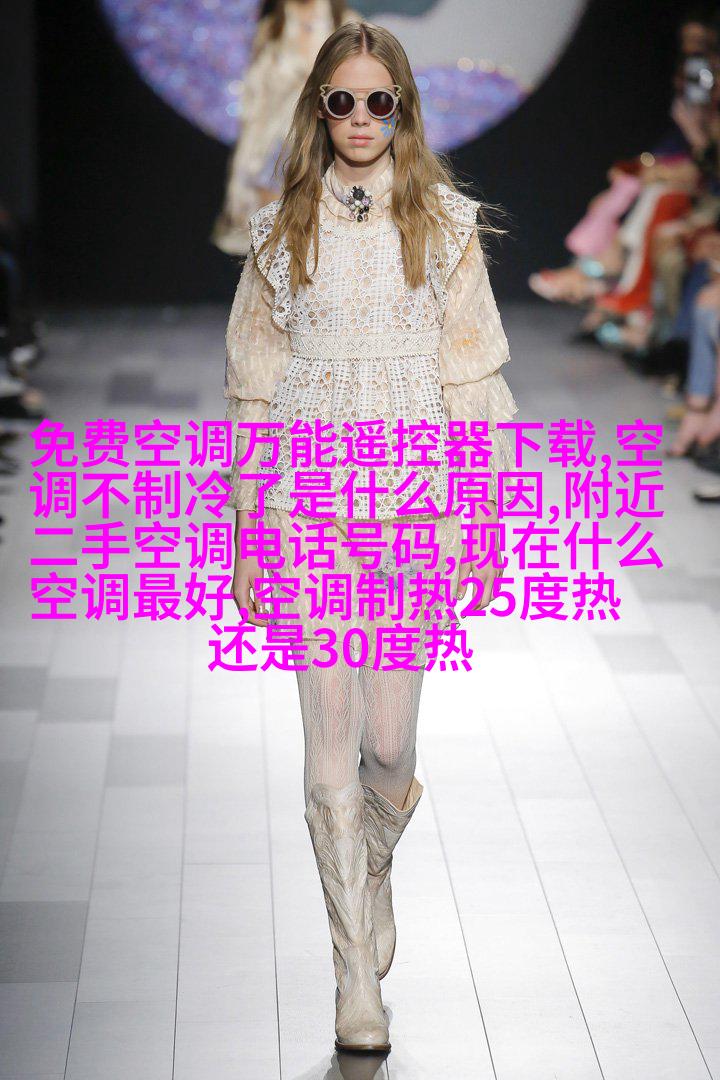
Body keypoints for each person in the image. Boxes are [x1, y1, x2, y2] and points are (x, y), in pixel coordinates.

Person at [223, 20, 517, 1052]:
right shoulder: (278, 233)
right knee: (327, 751)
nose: (358, 119)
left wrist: (485, 513)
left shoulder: (445, 225)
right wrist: (247, 530)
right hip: (304, 501)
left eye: (377, 102)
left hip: (415, 506)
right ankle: (354, 974)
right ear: (319, 109)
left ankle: (372, 861)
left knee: (389, 745)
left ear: (402, 110)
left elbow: (471, 376)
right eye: (340, 101)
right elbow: (254, 388)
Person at [212, 0, 360, 256]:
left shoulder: (349, 27)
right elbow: (255, 99)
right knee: (271, 238)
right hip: (274, 143)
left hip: (326, 143)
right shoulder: (272, 29)